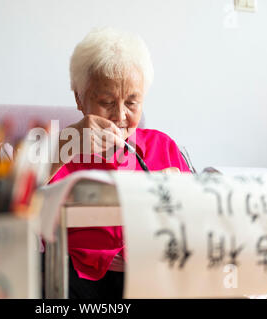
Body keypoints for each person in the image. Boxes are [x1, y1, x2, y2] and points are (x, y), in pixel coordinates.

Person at [48, 27, 192, 299]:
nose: (120, 115)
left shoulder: (164, 147)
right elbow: (21, 203)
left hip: (152, 276)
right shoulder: (60, 150)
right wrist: (64, 147)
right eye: (107, 102)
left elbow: (193, 222)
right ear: (79, 98)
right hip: (79, 278)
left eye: (132, 103)